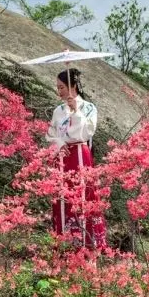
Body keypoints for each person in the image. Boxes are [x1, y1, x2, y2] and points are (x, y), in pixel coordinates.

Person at [46, 68, 108, 249]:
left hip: (81, 154)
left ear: (74, 86)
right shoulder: (58, 110)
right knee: (62, 199)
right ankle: (64, 244)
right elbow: (51, 133)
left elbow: (87, 132)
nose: (59, 91)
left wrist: (76, 112)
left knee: (82, 196)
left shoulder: (89, 107)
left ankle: (87, 244)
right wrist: (58, 143)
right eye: (57, 88)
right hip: (62, 155)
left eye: (62, 87)